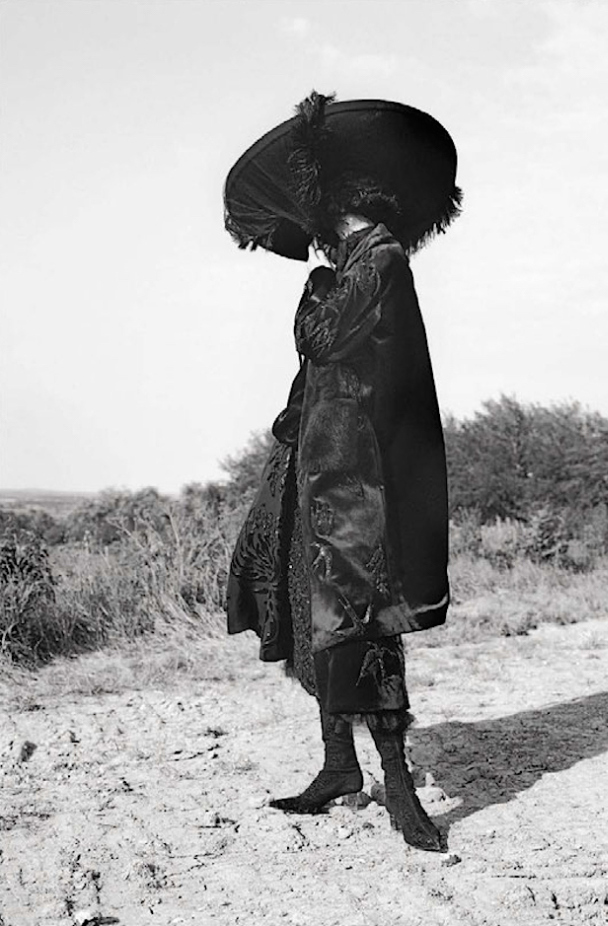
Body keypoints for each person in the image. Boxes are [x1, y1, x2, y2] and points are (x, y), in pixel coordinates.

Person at [224, 93, 460, 852]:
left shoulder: (380, 257)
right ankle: (338, 767)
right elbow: (317, 373)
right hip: (319, 469)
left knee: (360, 621)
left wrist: (318, 290)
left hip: (358, 482)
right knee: (311, 613)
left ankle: (399, 790)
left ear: (333, 208)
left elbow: (323, 338)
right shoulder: (356, 262)